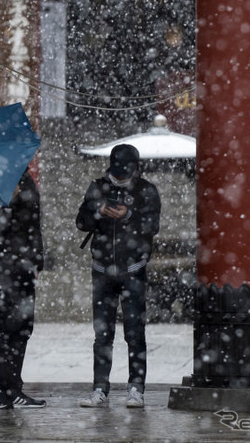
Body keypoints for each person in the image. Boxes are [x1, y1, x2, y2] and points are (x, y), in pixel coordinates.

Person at [75, 143, 161, 409]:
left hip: (133, 270)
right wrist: (97, 212)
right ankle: (100, 387)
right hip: (102, 271)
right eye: (116, 172)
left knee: (135, 333)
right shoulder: (97, 186)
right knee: (102, 335)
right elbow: (81, 222)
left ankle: (136, 387)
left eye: (125, 172)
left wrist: (129, 215)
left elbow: (152, 226)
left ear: (135, 168)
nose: (120, 177)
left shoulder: (146, 190)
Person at [0, 170, 46, 409]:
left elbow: (33, 222)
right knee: (0, 326)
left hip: (24, 266)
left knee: (22, 327)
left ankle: (13, 388)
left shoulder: (26, 180)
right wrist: (4, 200)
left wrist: (37, 259)